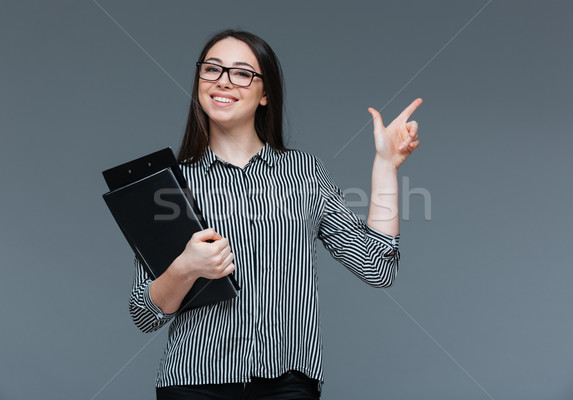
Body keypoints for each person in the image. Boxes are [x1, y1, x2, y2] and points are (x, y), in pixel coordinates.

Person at [129, 29, 421, 400]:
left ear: (265, 94)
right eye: (212, 70)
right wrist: (184, 268)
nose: (223, 82)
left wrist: (385, 165)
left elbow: (378, 268)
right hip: (192, 384)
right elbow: (144, 314)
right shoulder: (169, 186)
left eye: (241, 73)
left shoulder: (304, 172)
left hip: (288, 385)